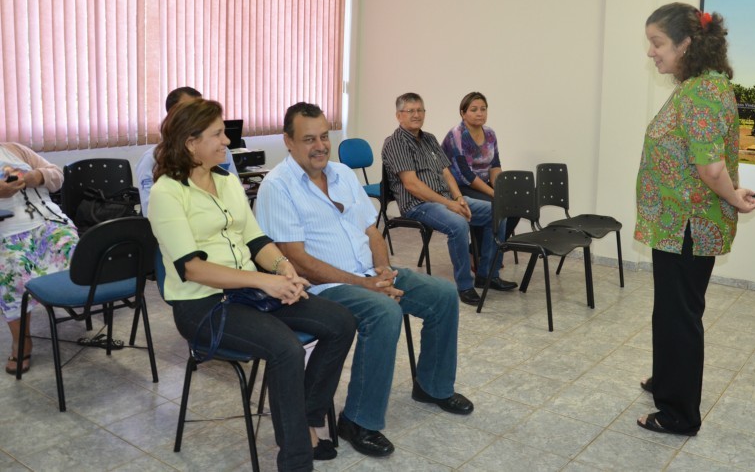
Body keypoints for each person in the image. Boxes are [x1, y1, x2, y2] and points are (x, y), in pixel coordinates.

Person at [147, 99, 356, 470]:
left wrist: (283, 270)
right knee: (287, 349)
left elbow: (256, 240)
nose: (226, 140)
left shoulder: (227, 182)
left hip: (251, 293)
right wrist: (266, 281)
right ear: (190, 142)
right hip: (202, 306)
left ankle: (305, 419)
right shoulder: (167, 192)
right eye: (216, 134)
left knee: (340, 322)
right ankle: (295, 459)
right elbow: (192, 269)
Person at [256, 103, 472, 458]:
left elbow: (371, 231)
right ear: (288, 142)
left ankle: (432, 386)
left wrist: (383, 272)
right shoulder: (277, 187)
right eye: (308, 139)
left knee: (444, 295)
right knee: (384, 312)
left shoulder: (341, 174)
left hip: (370, 277)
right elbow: (296, 260)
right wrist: (364, 284)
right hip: (324, 288)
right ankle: (358, 420)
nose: (320, 146)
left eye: (324, 136)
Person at [635, 2, 755, 436]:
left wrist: (734, 198)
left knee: (679, 317)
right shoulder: (701, 86)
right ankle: (666, 382)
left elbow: (709, 169)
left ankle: (678, 413)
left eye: (658, 43)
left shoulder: (702, 92)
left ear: (687, 43)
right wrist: (734, 191)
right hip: (677, 223)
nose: (652, 52)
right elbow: (711, 161)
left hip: (685, 225)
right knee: (671, 312)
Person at [382, 93, 516, 306]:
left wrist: (459, 197)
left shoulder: (430, 139)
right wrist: (449, 204)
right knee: (458, 223)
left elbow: (446, 173)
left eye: (420, 110)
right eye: (411, 111)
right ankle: (465, 285)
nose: (417, 115)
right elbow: (412, 185)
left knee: (497, 211)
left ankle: (487, 275)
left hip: (444, 199)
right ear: (399, 115)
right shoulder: (395, 143)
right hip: (418, 205)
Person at [1, 144, 79, 375]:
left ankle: (76, 304)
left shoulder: (13, 149)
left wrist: (38, 176)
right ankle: (21, 340)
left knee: (74, 250)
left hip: (48, 223)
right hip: (6, 233)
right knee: (11, 270)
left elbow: (57, 175)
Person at [135, 86, 239, 216]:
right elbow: (151, 213)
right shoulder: (152, 159)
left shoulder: (222, 151)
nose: (199, 118)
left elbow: (237, 196)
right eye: (190, 112)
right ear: (174, 116)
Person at [441, 92, 518, 240]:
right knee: (495, 206)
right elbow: (466, 176)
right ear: (463, 113)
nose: (479, 113)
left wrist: (499, 188)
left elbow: (495, 165)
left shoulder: (490, 133)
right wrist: (493, 193)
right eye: (474, 109)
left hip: (481, 184)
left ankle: (494, 248)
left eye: (483, 109)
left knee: (514, 205)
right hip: (458, 187)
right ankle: (478, 253)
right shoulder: (457, 135)